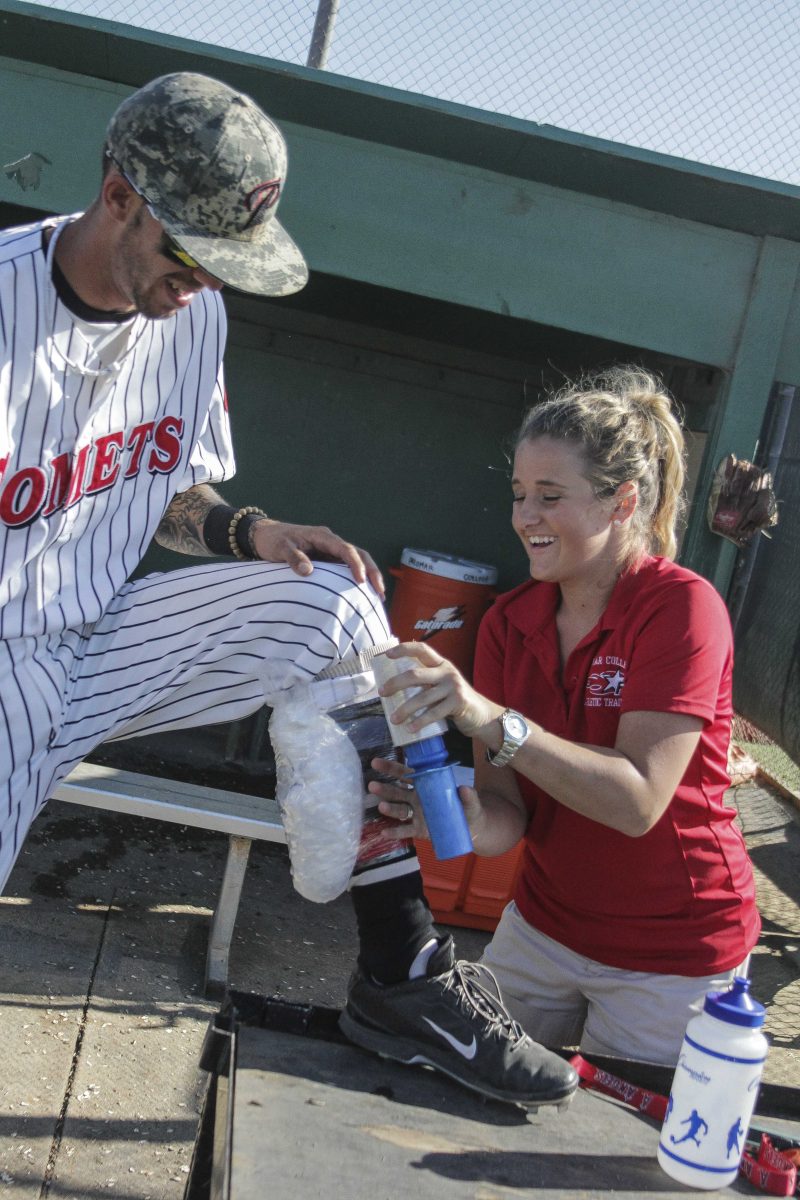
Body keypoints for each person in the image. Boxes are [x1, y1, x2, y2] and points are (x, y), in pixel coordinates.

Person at [0, 71, 577, 1110]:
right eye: (191, 254)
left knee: (338, 607)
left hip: (99, 639)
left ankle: (400, 972)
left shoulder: (190, 316)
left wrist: (246, 531)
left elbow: (171, 486)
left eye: (224, 265)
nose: (203, 285)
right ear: (120, 193)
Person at [369, 365, 761, 1066]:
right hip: (545, 928)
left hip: (676, 955)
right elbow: (505, 817)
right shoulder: (508, 624)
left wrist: (491, 720)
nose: (525, 517)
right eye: (519, 494)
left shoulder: (682, 607)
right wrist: (447, 816)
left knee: (622, 1164)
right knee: (447, 1096)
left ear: (622, 502)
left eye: (551, 496)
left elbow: (637, 800)